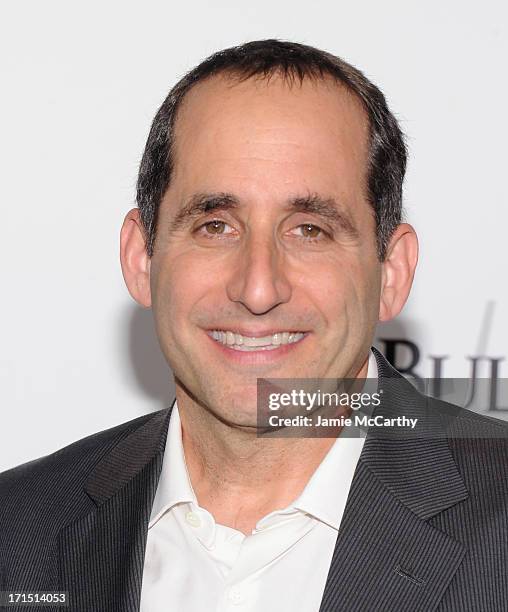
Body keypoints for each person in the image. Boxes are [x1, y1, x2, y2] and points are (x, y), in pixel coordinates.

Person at [0, 39, 507, 612]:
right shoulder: (15, 532)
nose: (258, 288)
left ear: (391, 273)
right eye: (216, 225)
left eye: (309, 230)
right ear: (142, 257)